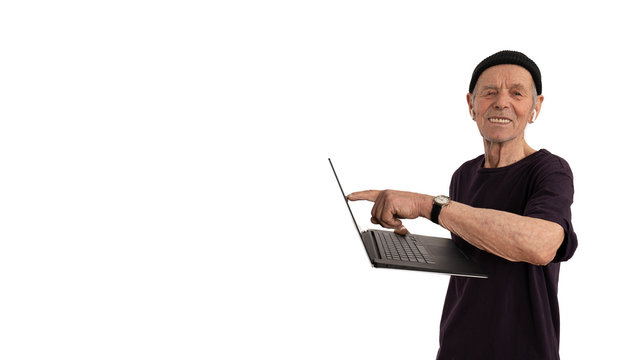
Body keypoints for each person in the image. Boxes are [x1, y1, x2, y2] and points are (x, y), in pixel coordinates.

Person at [347, 50, 578, 359]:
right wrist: (409, 249)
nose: (501, 102)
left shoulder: (550, 170)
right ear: (471, 104)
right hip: (457, 347)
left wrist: (430, 206)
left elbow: (541, 245)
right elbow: (475, 254)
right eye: (490, 93)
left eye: (517, 93)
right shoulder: (463, 175)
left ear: (536, 107)